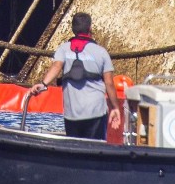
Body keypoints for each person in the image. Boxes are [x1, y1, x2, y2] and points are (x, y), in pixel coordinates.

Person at [30, 12, 121, 140]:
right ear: (90, 29)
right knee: (95, 150)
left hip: (72, 114)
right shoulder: (101, 52)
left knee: (74, 149)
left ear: (73, 29)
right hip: (96, 112)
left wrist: (43, 84)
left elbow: (56, 66)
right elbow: (109, 83)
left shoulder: (63, 49)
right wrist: (115, 108)